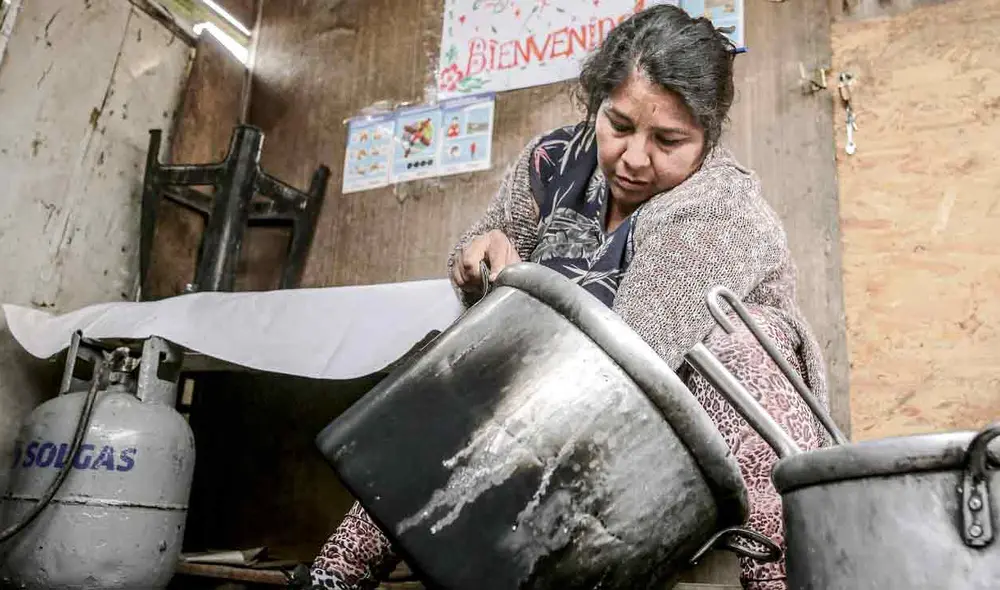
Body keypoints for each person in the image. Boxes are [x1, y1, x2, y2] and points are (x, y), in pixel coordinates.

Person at [306, 5, 832, 590]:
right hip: (555, 409)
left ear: (707, 139)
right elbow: (482, 248)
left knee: (741, 344)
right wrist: (479, 260)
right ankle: (336, 574)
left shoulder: (720, 208)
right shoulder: (554, 159)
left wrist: (520, 316)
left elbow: (626, 367)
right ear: (596, 103)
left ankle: (774, 581)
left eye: (668, 140)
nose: (634, 157)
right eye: (619, 124)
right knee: (461, 359)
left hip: (671, 441)